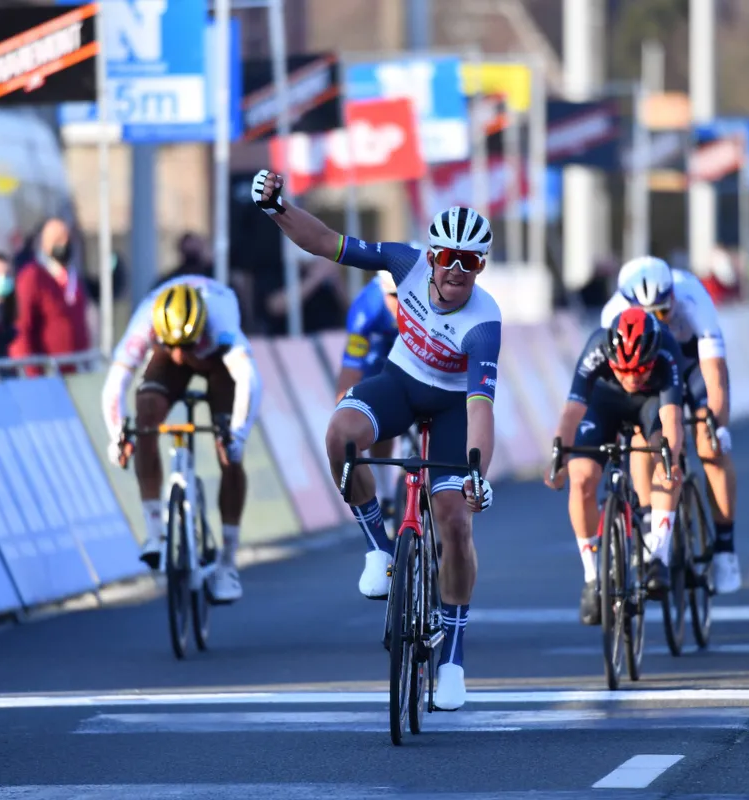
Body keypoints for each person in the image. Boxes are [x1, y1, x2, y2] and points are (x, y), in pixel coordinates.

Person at [252, 168, 497, 711]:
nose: (457, 270)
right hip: (402, 383)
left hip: (454, 407)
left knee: (455, 520)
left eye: (471, 261)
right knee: (340, 431)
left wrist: (477, 470)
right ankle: (380, 551)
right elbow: (324, 243)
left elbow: (480, 406)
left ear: (481, 267)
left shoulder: (485, 321)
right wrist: (277, 208)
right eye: (449, 257)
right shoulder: (403, 263)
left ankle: (453, 655)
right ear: (431, 256)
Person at [101, 276, 261, 603]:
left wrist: (237, 435)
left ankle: (228, 563)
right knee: (145, 415)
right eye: (171, 346)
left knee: (229, 451)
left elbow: (249, 380)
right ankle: (155, 533)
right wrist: (117, 434)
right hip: (173, 335)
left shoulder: (221, 319)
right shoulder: (147, 319)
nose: (178, 355)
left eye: (184, 347)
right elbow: (116, 381)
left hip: (215, 360)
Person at [599, 256, 740, 594]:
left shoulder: (693, 297)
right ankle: (651, 522)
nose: (658, 321)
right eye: (649, 315)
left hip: (689, 363)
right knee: (640, 435)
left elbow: (714, 374)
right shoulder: (612, 314)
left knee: (709, 443)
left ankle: (724, 549)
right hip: (646, 369)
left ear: (673, 296)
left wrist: (716, 423)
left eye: (663, 312)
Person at [546, 308, 687, 622]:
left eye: (640, 370)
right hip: (603, 404)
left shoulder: (665, 350)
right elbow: (572, 411)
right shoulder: (596, 347)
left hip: (652, 405)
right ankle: (593, 576)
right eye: (623, 370)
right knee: (581, 480)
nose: (632, 378)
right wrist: (558, 461)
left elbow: (672, 419)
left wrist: (672, 459)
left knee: (662, 456)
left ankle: (658, 556)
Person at [337, 269, 403, 520]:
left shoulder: (428, 300)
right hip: (380, 352)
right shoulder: (367, 308)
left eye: (404, 295)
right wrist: (343, 412)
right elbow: (351, 369)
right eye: (393, 296)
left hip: (415, 346)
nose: (400, 302)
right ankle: (386, 494)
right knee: (375, 407)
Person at [10, 217, 91, 375]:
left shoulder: (73, 277)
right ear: (44, 244)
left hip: (75, 371)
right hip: (47, 373)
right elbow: (21, 328)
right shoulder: (32, 276)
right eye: (57, 239)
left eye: (67, 238)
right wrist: (31, 372)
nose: (64, 244)